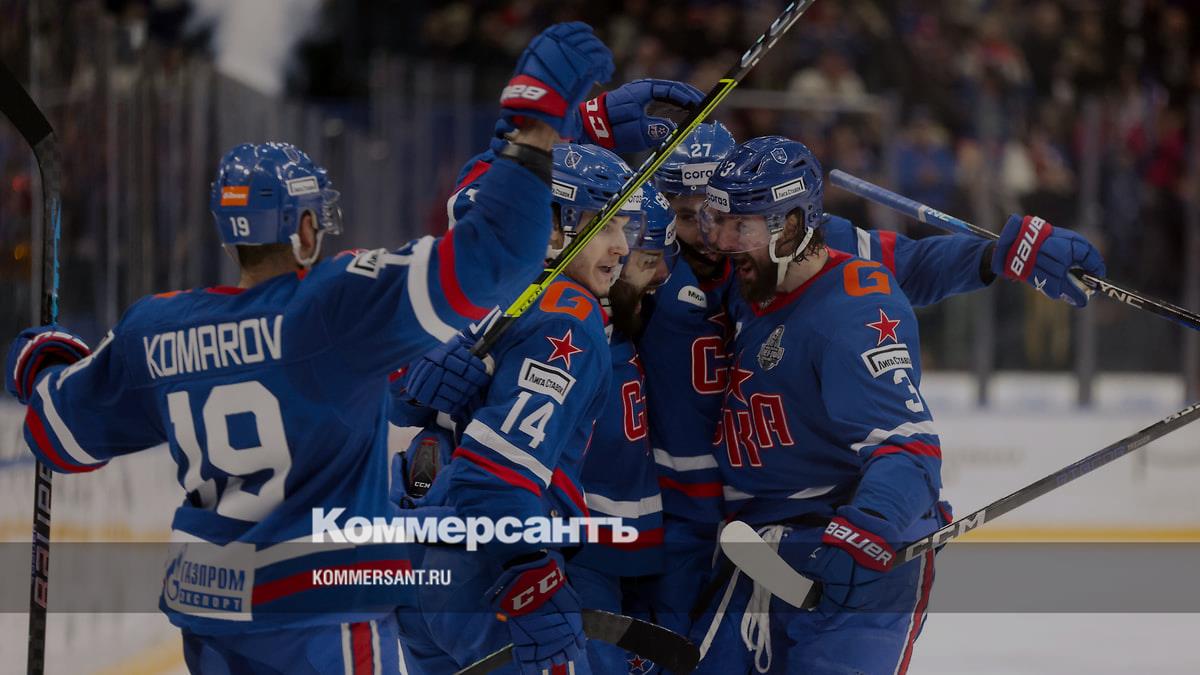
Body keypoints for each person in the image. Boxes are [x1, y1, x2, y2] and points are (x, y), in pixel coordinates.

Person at [4, 21, 615, 674]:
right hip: (318, 612)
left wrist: (40, 360)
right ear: (302, 227)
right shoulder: (335, 305)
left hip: (208, 612)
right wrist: (531, 130)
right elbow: (494, 256)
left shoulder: (155, 328)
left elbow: (57, 433)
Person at [392, 143, 642, 675]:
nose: (621, 247)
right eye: (604, 226)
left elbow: (396, 402)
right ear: (553, 229)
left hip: (419, 556)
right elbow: (495, 477)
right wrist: (532, 577)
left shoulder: (477, 284)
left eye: (625, 226)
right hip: (489, 569)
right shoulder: (567, 317)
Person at [566, 182, 675, 674]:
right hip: (581, 549)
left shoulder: (622, 323)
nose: (662, 274)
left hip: (634, 550)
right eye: (648, 259)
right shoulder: (566, 329)